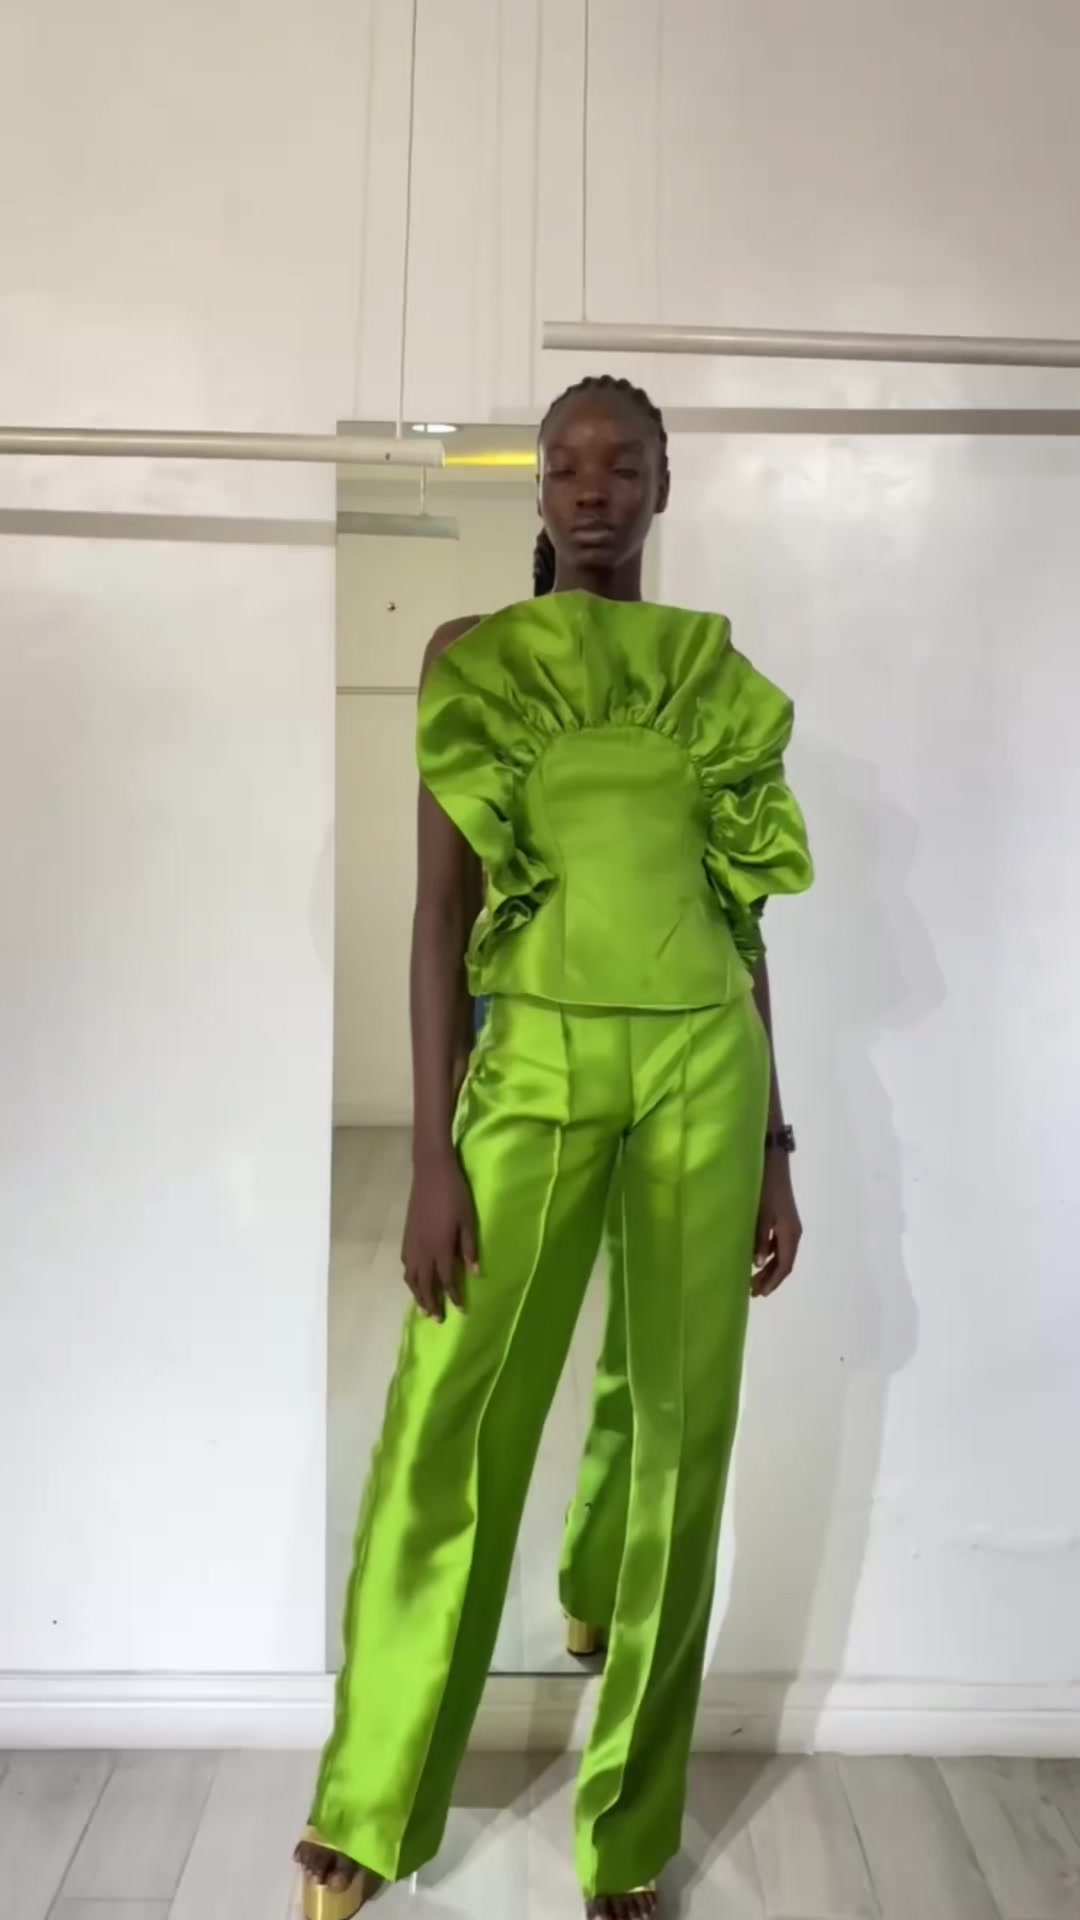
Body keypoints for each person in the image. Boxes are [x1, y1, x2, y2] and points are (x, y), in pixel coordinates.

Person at [296, 375, 813, 1920]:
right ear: (535, 487)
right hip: (530, 1058)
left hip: (706, 1063)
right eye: (568, 465)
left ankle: (629, 1831)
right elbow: (438, 914)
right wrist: (433, 1152)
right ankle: (371, 1793)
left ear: (664, 485)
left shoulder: (712, 675)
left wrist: (778, 1142)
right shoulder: (473, 657)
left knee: (680, 1431)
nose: (594, 490)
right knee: (450, 1411)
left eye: (623, 465)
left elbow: (744, 918)